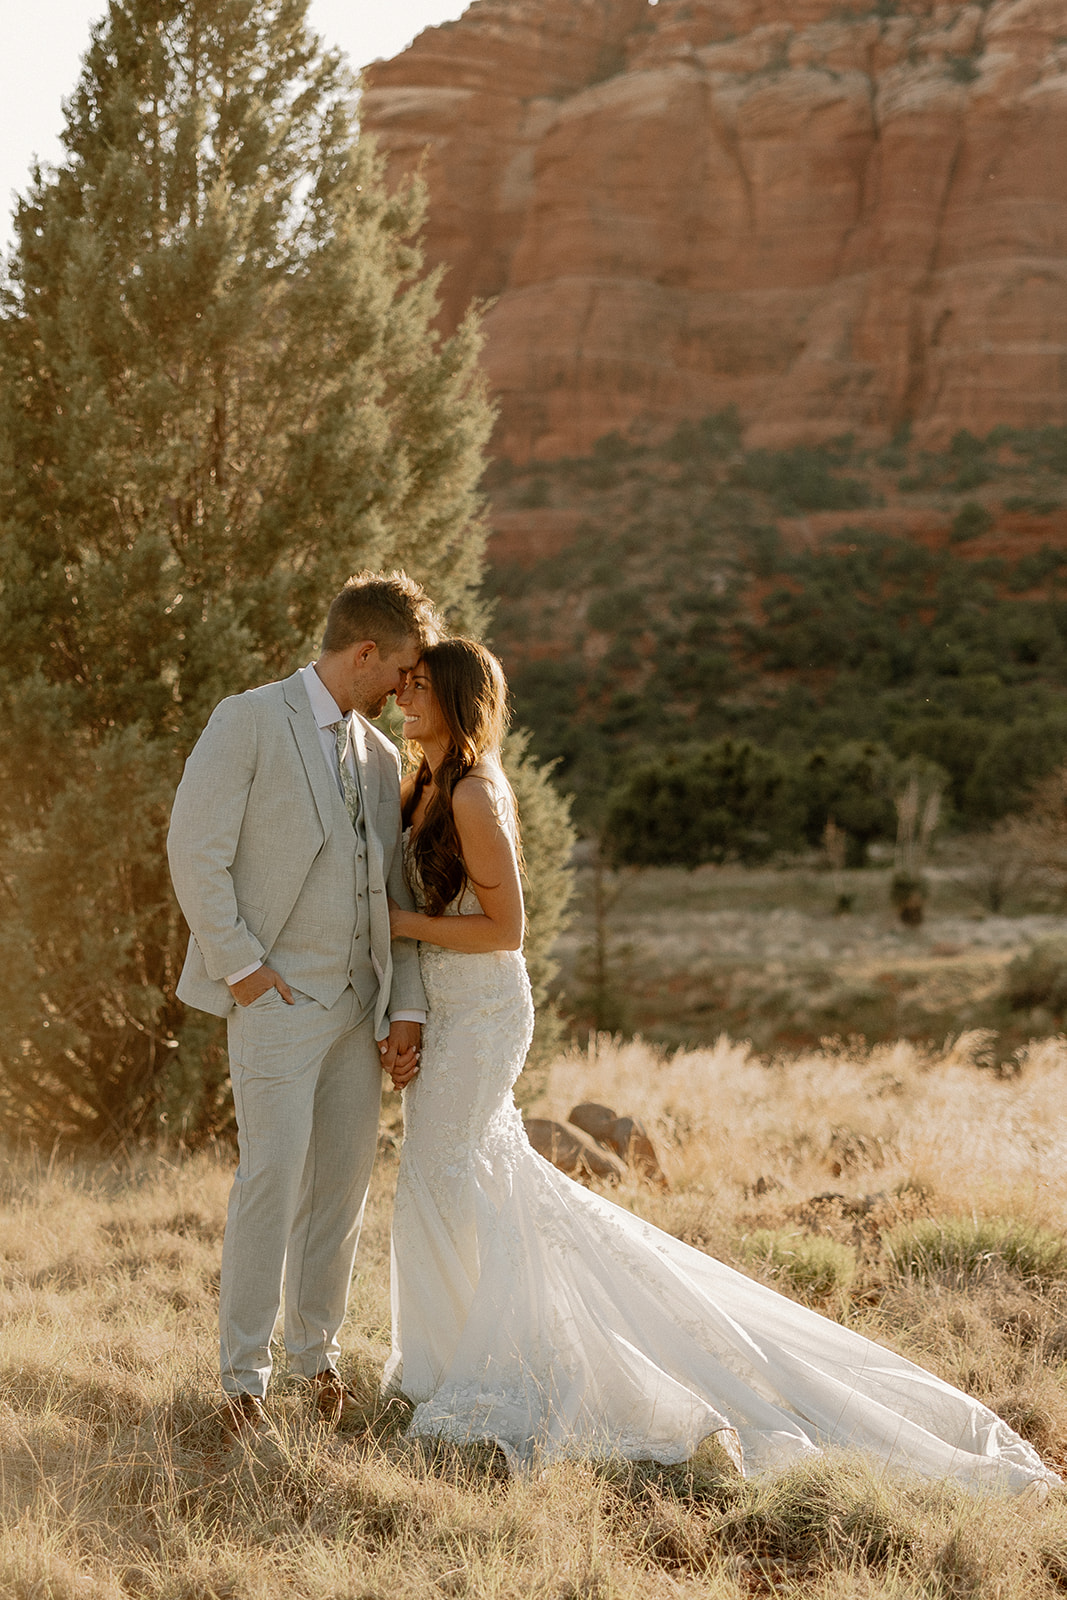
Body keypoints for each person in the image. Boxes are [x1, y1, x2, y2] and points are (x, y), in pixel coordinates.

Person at [383, 637, 1060, 1496]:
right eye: (400, 684)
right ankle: (450, 1355)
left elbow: (507, 929)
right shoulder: (420, 783)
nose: (403, 696)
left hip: (482, 1013)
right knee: (447, 1180)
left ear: (455, 698)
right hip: (446, 1010)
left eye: (418, 686)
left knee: (445, 1172)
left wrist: (402, 929)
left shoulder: (476, 794)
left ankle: (492, 1367)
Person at [167, 571, 437, 1438]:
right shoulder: (246, 719)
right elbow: (193, 851)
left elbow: (391, 892)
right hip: (276, 1001)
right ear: (364, 653)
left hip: (359, 1009)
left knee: (342, 1189)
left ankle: (315, 1355)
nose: (404, 691)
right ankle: (242, 1377)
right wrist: (243, 968)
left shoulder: (382, 755)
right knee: (271, 1181)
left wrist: (406, 1008)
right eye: (398, 672)